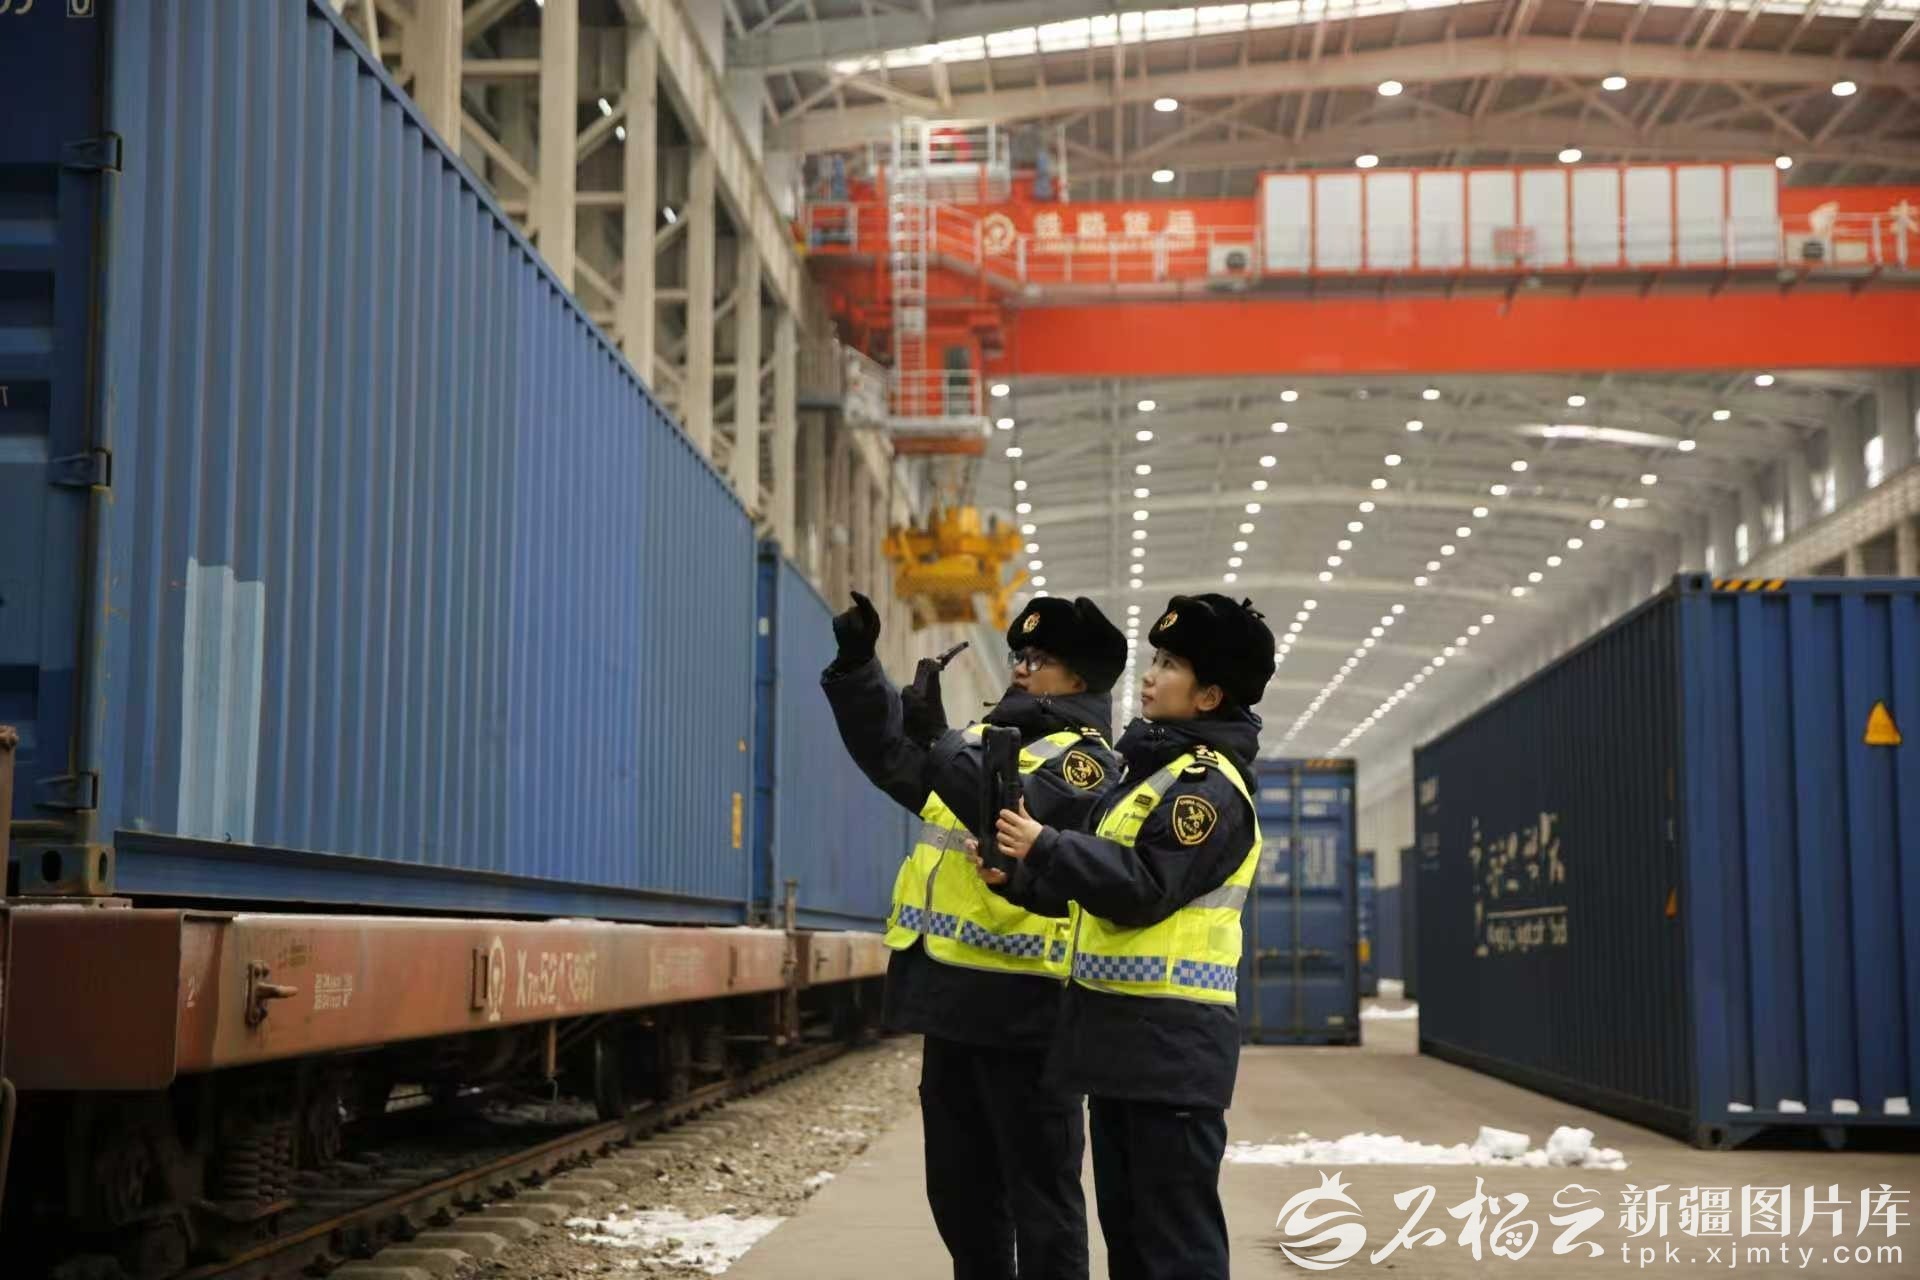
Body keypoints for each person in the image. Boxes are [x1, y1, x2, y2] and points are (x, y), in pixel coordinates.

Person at [821, 590, 1128, 1280]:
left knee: (1040, 1202)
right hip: (953, 1001)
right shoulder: (987, 743)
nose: (1020, 667)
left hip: (1026, 1016)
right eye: (1019, 654)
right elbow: (893, 760)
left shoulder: (1085, 762)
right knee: (961, 1199)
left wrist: (940, 742)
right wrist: (860, 668)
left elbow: (1010, 813)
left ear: (1078, 680)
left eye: (1039, 659)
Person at [980, 593, 1275, 1280]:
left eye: (1169, 664)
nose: (1149, 675)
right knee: (1133, 1243)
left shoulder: (1207, 791)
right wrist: (1018, 877)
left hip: (1172, 1054)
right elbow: (1092, 888)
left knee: (1176, 1249)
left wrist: (1046, 844)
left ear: (1209, 696)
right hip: (1120, 1047)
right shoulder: (1147, 777)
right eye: (1154, 658)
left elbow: (1143, 887)